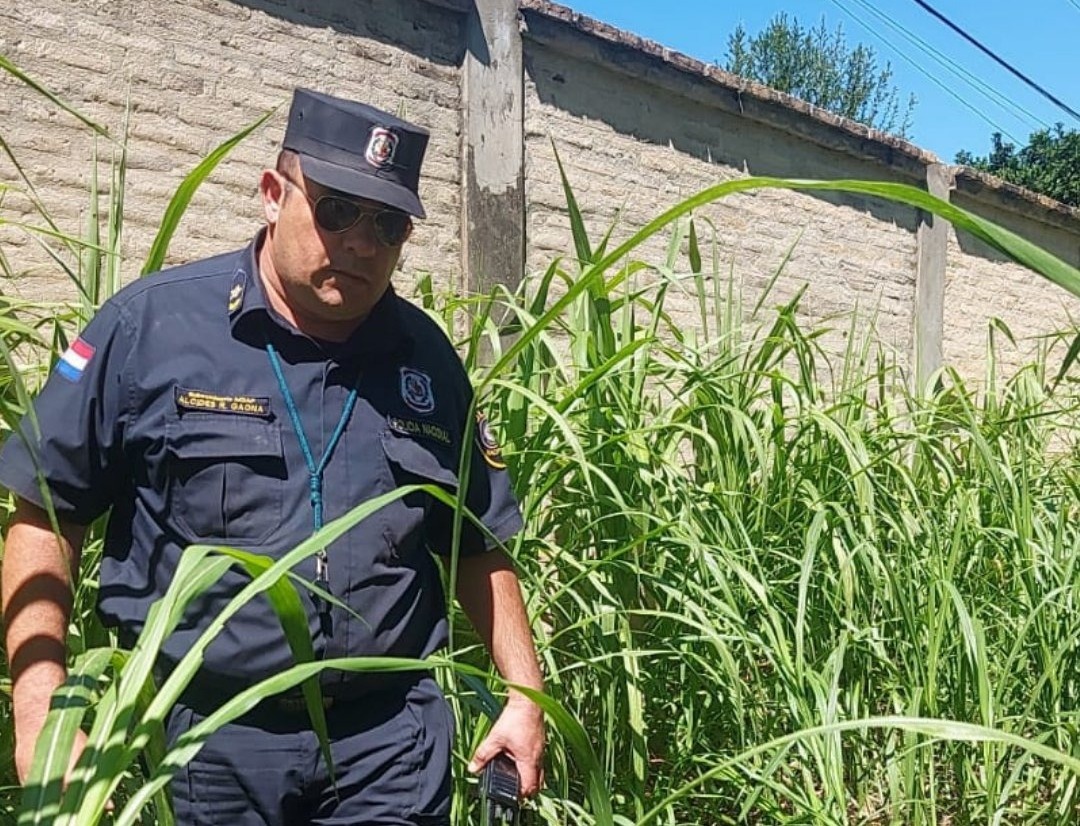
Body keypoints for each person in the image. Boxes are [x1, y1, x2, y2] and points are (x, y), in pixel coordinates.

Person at [0, 87, 545, 824]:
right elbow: (44, 511)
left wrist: (523, 694)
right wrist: (42, 711)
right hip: (209, 742)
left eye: (387, 224)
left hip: (389, 745)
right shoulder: (151, 329)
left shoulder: (427, 363)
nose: (359, 242)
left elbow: (478, 540)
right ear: (271, 194)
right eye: (336, 209)